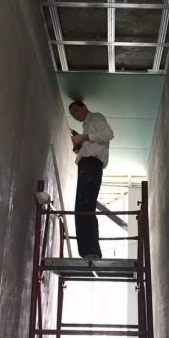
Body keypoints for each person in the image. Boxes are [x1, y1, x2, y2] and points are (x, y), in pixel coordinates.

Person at [69, 101, 114, 259]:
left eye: (76, 110)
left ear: (85, 107)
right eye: (72, 114)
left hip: (92, 164)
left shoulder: (95, 117)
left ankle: (91, 251)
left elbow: (108, 134)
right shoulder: (86, 126)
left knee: (85, 206)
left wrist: (84, 136)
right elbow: (91, 146)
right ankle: (86, 251)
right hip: (86, 164)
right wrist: (80, 146)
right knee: (81, 207)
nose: (75, 115)